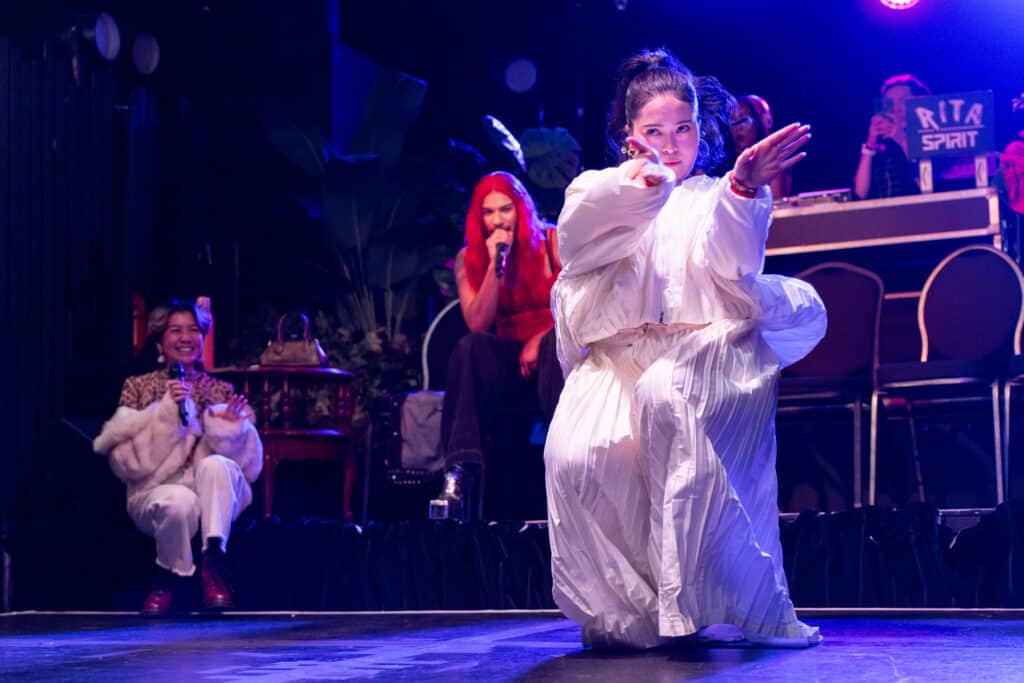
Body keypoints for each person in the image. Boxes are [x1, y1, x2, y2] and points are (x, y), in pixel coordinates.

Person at [544, 48, 825, 649]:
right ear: (628, 135)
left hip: (706, 352)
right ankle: (633, 615)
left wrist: (745, 189)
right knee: (578, 454)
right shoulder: (601, 189)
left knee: (668, 399)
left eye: (684, 129)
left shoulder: (714, 196)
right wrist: (645, 185)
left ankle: (705, 607)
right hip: (620, 355)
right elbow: (579, 239)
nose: (671, 144)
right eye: (654, 132)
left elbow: (732, 263)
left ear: (702, 128)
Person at [93, 299, 262, 616]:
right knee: (177, 502)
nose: (186, 338)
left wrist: (232, 434)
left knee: (216, 464)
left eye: (194, 330)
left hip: (213, 496)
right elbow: (126, 463)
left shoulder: (221, 390)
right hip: (154, 491)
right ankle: (167, 577)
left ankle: (213, 564)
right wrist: (168, 416)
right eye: (176, 330)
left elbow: (248, 470)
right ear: (159, 340)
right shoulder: (137, 387)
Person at [429, 171, 564, 521]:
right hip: (509, 365)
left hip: (552, 356)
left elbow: (578, 304)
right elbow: (478, 321)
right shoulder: (468, 258)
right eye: (488, 212)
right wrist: (494, 266)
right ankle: (458, 474)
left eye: (505, 209)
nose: (498, 220)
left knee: (553, 344)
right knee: (471, 346)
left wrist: (539, 338)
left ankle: (566, 467)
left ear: (521, 209)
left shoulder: (554, 241)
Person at [853, 74, 930, 200]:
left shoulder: (932, 138)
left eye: (903, 101)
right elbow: (860, 193)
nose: (897, 109)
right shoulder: (884, 144)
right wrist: (870, 146)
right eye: (890, 103)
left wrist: (902, 139)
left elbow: (927, 185)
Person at [731, 94, 792, 199]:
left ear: (767, 121)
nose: (737, 127)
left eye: (743, 119)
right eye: (732, 120)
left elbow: (776, 203)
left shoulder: (775, 157)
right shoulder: (725, 162)